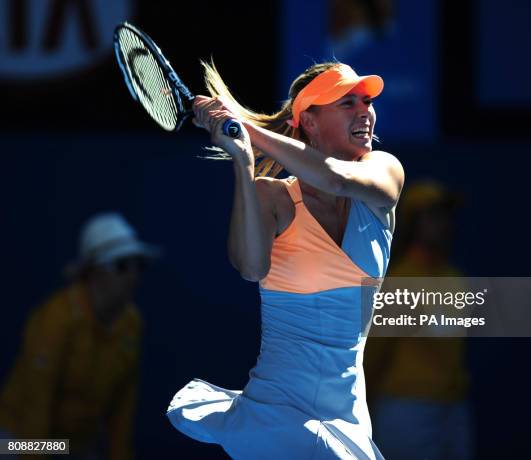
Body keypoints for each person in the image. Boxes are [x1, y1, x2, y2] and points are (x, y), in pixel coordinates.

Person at [166, 62, 404, 459]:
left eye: (366, 101)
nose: (365, 111)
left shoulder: (385, 170)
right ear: (308, 122)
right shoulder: (272, 197)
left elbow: (336, 180)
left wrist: (246, 128)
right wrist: (243, 163)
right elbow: (250, 267)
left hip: (349, 419)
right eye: (347, 103)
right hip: (279, 412)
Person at [0, 212, 158, 460]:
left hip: (72, 446)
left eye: (139, 264)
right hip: (17, 438)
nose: (133, 275)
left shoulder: (131, 324)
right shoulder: (56, 318)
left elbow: (123, 409)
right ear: (94, 271)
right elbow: (36, 405)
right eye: (122, 265)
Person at [364, 181, 473, 460]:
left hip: (453, 407)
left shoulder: (453, 277)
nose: (443, 224)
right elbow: (374, 353)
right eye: (433, 215)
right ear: (414, 223)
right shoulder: (399, 280)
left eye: (446, 216)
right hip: (405, 408)